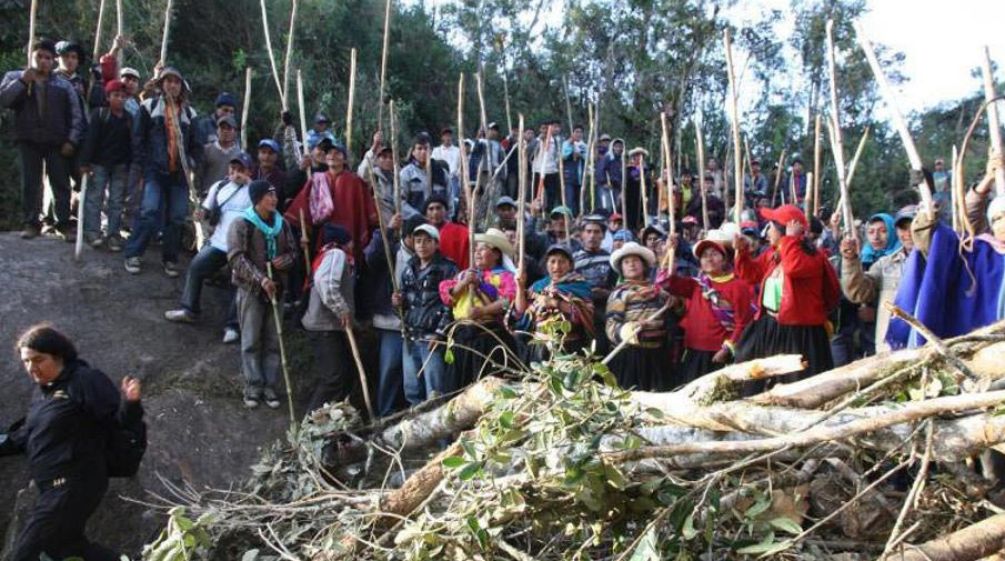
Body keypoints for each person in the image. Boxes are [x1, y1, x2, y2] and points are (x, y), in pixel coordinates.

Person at [1, 324, 142, 561]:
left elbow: (117, 421)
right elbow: (23, 436)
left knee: (24, 553)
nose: (31, 368)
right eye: (26, 362)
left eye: (38, 360)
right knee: (66, 548)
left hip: (74, 484)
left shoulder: (84, 380)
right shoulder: (44, 393)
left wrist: (130, 404)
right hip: (52, 488)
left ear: (59, 355)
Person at [733, 204, 840, 389]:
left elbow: (793, 268)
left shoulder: (812, 257)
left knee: (796, 386)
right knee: (755, 376)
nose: (767, 232)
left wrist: (791, 239)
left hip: (800, 333)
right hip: (772, 326)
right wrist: (741, 253)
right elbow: (750, 275)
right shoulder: (773, 255)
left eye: (772, 226)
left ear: (785, 230)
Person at [164, 152, 254, 344]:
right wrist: (201, 213)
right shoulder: (220, 186)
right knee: (197, 266)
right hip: (219, 241)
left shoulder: (255, 190)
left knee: (240, 281)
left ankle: (233, 325)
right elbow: (206, 208)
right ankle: (190, 309)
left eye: (240, 169)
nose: (235, 172)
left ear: (248, 171)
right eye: (233, 168)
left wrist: (247, 182)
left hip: (242, 246)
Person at [1, 39, 85, 240]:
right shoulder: (15, 77)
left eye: (48, 57)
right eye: (39, 56)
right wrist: (22, 81)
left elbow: (76, 115)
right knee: (30, 183)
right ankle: (31, 222)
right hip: (28, 139)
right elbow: (3, 100)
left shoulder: (63, 85)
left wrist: (71, 141)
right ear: (31, 56)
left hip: (57, 142)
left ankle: (63, 223)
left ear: (53, 61)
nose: (43, 61)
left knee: (60, 183)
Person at [124, 66, 203, 277]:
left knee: (177, 217)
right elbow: (138, 139)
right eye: (168, 81)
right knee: (149, 211)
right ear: (161, 84)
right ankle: (133, 253)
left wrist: (192, 162)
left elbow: (197, 144)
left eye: (176, 82)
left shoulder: (189, 114)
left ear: (181, 86)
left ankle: (170, 258)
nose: (172, 85)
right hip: (154, 170)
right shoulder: (149, 107)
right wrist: (142, 166)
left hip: (179, 175)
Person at [228, 180, 298, 409]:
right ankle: (253, 386)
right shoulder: (242, 223)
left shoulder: (282, 224)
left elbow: (293, 252)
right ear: (257, 198)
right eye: (269, 195)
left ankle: (270, 386)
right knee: (250, 339)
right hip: (252, 290)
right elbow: (236, 258)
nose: (274, 199)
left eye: (275, 194)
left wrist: (284, 261)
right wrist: (261, 279)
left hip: (277, 289)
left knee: (273, 340)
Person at [658, 239, 755, 383]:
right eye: (704, 256)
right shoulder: (696, 285)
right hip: (694, 353)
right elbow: (667, 283)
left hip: (720, 353)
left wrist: (727, 349)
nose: (709, 259)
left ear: (724, 260)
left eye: (714, 254)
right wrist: (668, 253)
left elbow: (743, 323)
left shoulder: (738, 286)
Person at [439, 228, 519, 387]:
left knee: (487, 383)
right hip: (462, 335)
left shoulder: (506, 277)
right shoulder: (464, 275)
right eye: (476, 249)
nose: (477, 252)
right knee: (458, 385)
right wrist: (465, 282)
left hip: (489, 336)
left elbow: (508, 301)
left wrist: (482, 309)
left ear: (496, 254)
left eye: (483, 249)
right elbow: (447, 296)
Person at [393, 224, 458, 405]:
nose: (421, 245)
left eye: (427, 241)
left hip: (432, 338)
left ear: (436, 244)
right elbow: (404, 305)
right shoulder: (409, 268)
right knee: (412, 389)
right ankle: (417, 428)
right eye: (418, 241)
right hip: (410, 335)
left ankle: (441, 432)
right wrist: (397, 303)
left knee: (435, 390)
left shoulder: (447, 268)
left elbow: (451, 305)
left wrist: (440, 333)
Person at [841, 206, 915, 354]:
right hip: (890, 347)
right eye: (902, 228)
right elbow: (859, 292)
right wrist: (850, 260)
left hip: (926, 343)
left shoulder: (936, 262)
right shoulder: (885, 264)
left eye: (912, 227)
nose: (907, 234)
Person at [301, 224, 358, 413]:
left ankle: (331, 425)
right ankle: (310, 428)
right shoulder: (336, 254)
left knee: (344, 375)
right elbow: (326, 283)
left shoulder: (328, 255)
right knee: (334, 378)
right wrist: (342, 310)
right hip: (324, 326)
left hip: (330, 327)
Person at [605, 242, 671, 390]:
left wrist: (673, 301)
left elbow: (674, 312)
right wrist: (630, 328)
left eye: (635, 261)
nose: (631, 265)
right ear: (621, 268)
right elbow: (611, 326)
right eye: (626, 262)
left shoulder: (658, 292)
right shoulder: (619, 294)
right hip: (630, 356)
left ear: (644, 265)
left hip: (656, 354)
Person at [513, 244, 595, 360]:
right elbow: (520, 312)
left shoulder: (579, 286)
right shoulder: (538, 286)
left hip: (568, 347)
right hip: (540, 347)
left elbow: (585, 313)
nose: (557, 266)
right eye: (552, 261)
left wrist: (554, 303)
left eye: (562, 262)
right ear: (546, 264)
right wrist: (520, 287)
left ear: (570, 265)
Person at [79, 79, 133, 250]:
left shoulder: (129, 119)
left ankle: (113, 235)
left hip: (120, 165)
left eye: (123, 96)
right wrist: (85, 162)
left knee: (116, 201)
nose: (120, 99)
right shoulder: (100, 114)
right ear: (108, 97)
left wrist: (130, 165)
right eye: (116, 95)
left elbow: (131, 144)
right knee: (95, 197)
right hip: (99, 163)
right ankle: (92, 232)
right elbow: (91, 140)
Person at [574, 216, 618, 353]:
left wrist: (605, 293)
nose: (592, 235)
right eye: (588, 231)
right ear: (582, 234)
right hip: (579, 310)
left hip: (602, 311)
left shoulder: (611, 260)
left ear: (603, 235)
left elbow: (615, 287)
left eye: (597, 232)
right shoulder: (572, 259)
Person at [401, 133, 452, 218]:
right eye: (419, 148)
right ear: (413, 152)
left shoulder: (442, 173)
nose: (423, 152)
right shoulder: (406, 174)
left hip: (440, 223)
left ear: (431, 151)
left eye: (426, 148)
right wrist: (419, 217)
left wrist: (447, 219)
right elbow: (401, 203)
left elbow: (450, 199)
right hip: (415, 223)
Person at [196, 114, 242, 196]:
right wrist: (199, 192)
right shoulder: (206, 150)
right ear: (217, 130)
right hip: (208, 195)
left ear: (235, 132)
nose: (225, 131)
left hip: (229, 196)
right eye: (222, 128)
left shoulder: (240, 154)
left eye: (229, 128)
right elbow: (199, 175)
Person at [424, 195, 470, 270]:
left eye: (439, 208)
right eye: (431, 209)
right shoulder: (421, 232)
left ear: (446, 211)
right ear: (426, 214)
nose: (435, 212)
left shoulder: (461, 232)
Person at [532, 120, 562, 210]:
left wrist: (556, 164)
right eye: (543, 128)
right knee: (537, 193)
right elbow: (529, 153)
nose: (545, 131)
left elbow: (557, 155)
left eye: (546, 128)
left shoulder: (555, 141)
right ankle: (537, 211)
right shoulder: (536, 141)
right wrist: (538, 140)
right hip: (538, 170)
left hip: (551, 171)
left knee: (551, 193)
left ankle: (550, 211)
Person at [562, 124, 587, 215]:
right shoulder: (566, 143)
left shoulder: (584, 145)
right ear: (572, 133)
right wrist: (570, 150)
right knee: (569, 198)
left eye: (580, 132)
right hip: (568, 176)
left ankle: (579, 217)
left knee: (579, 199)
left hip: (580, 177)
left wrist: (581, 155)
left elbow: (589, 158)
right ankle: (569, 217)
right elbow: (563, 156)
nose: (578, 134)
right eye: (576, 132)